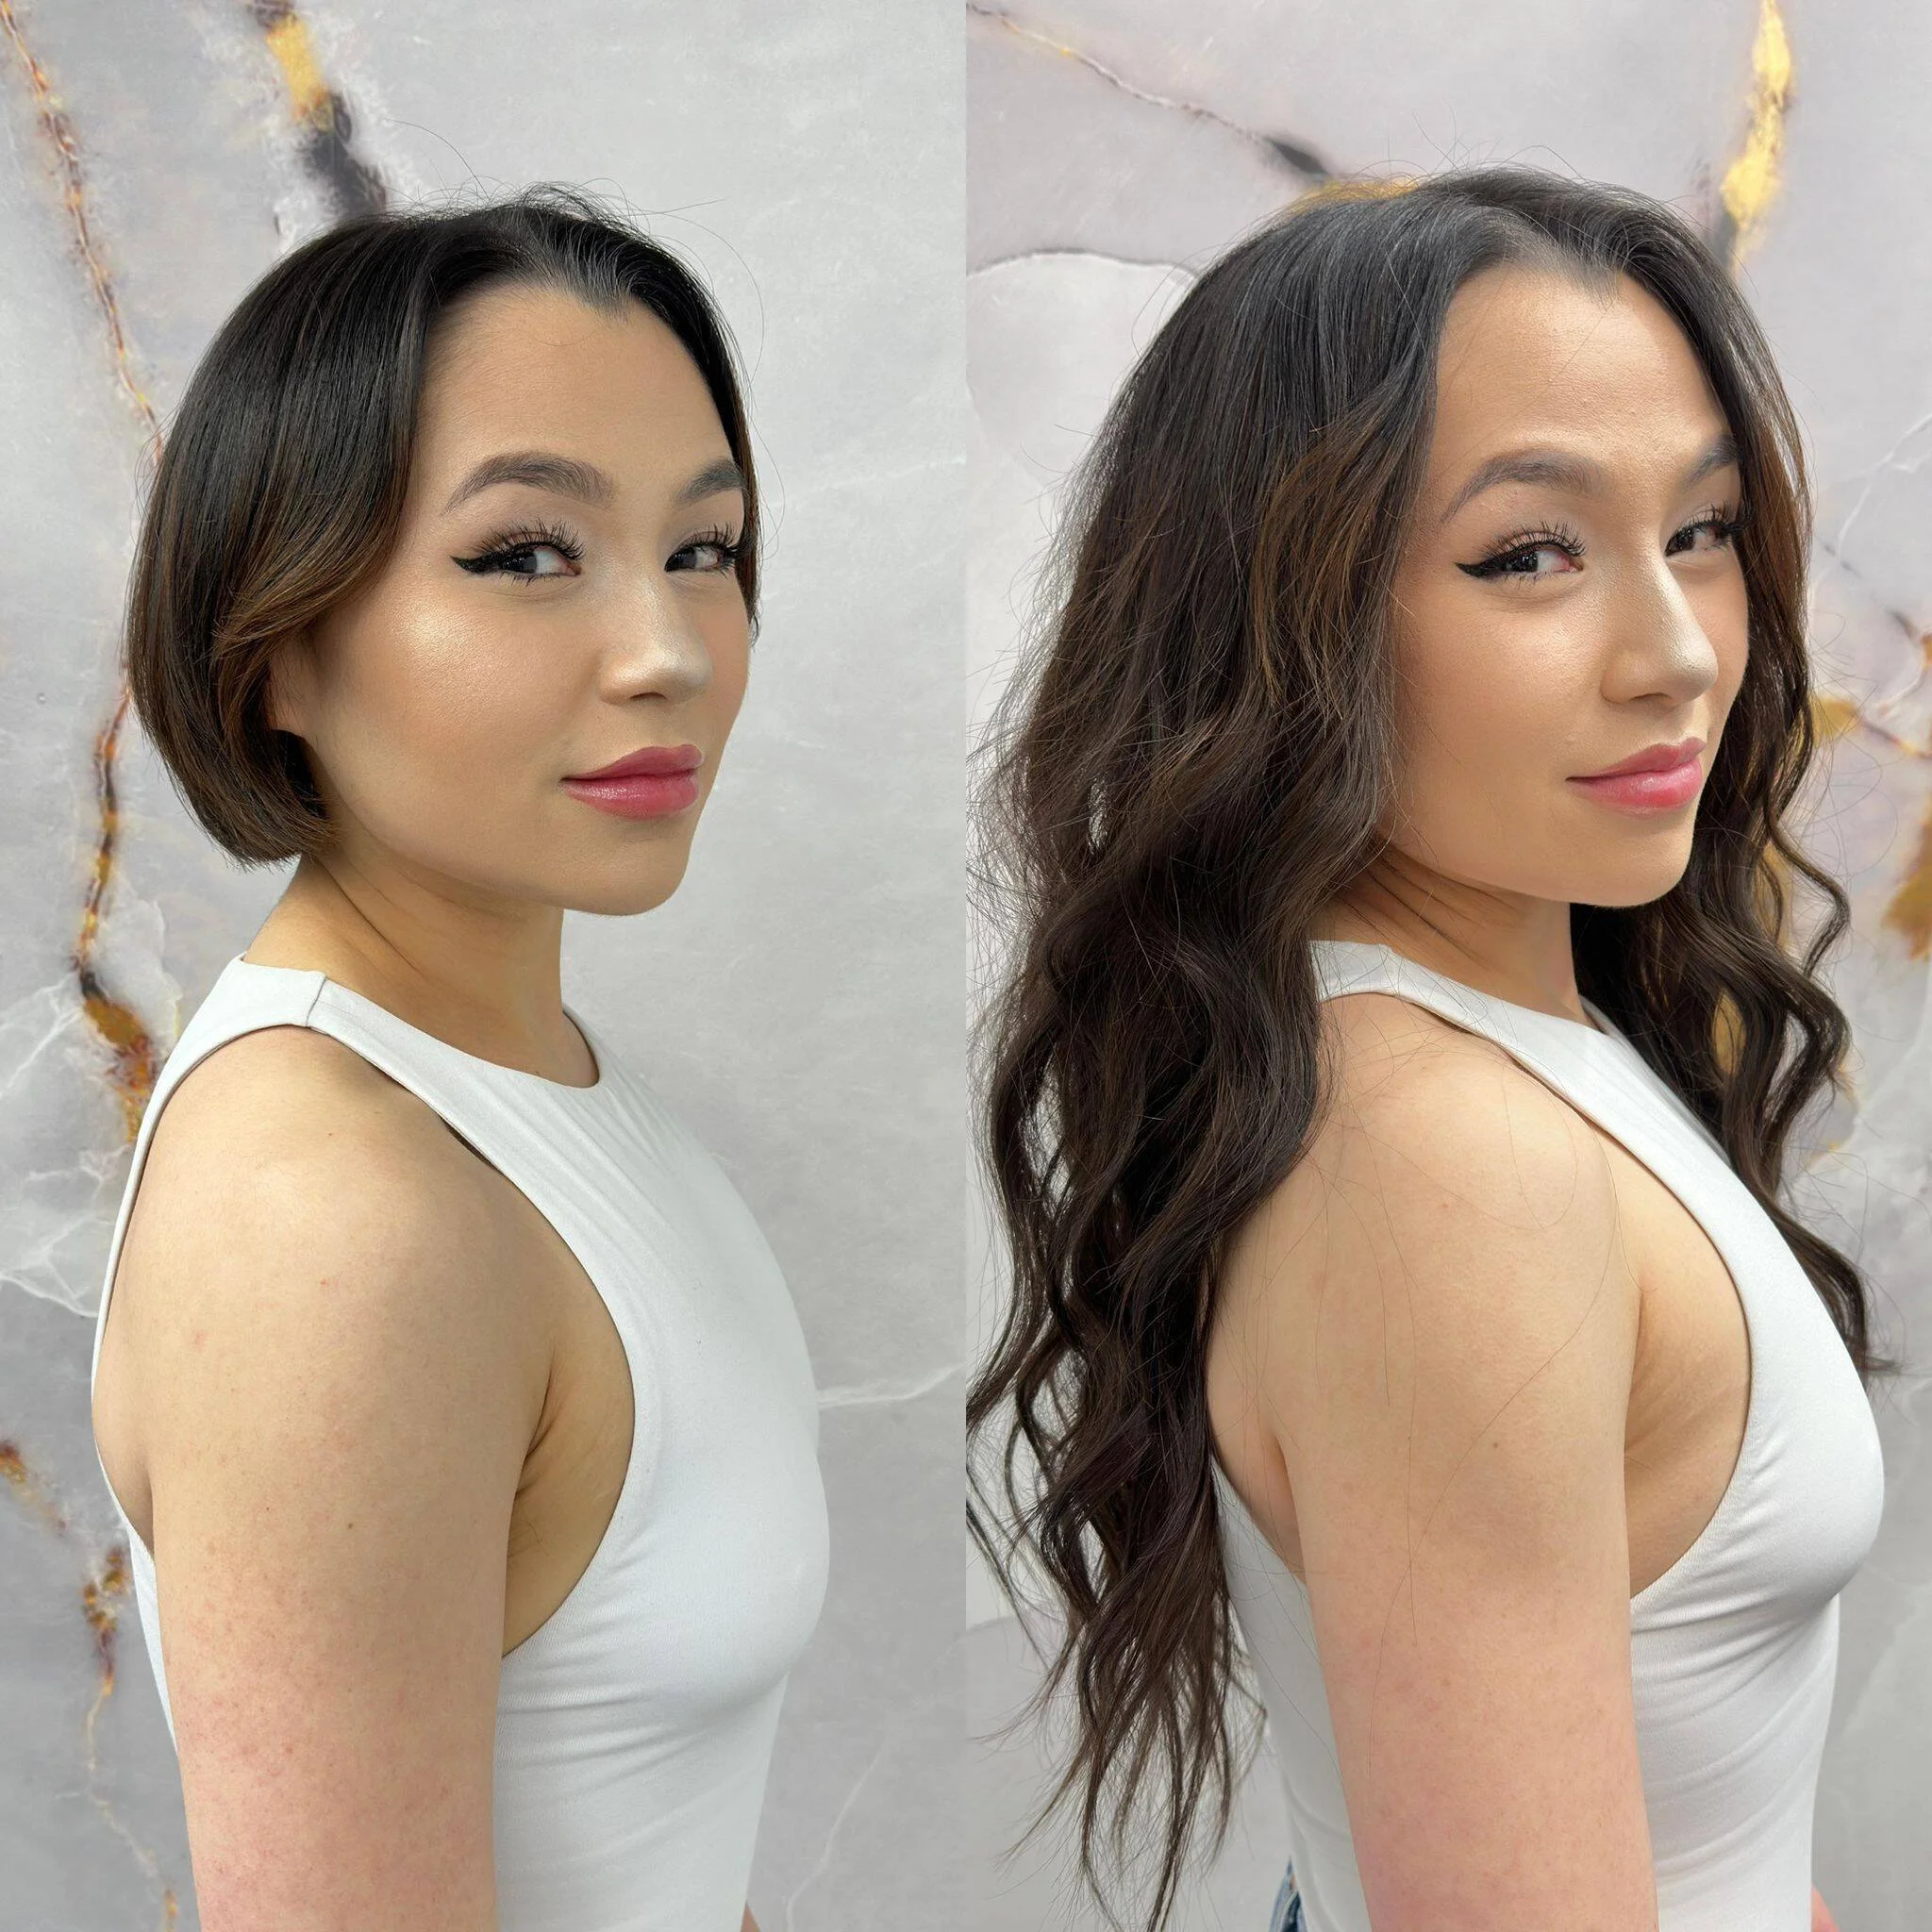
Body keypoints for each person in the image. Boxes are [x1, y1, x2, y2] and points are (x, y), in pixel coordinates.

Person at [968, 167, 1890, 1932]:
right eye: (1529, 552)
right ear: (1279, 622)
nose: (1680, 652)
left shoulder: (1525, 1049)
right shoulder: (1446, 1170)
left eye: (1701, 530)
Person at [88, 186, 827, 1932]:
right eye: (524, 556)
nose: (666, 654)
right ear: (273, 643)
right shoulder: (338, 1219)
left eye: (704, 549)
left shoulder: (523, 1083)